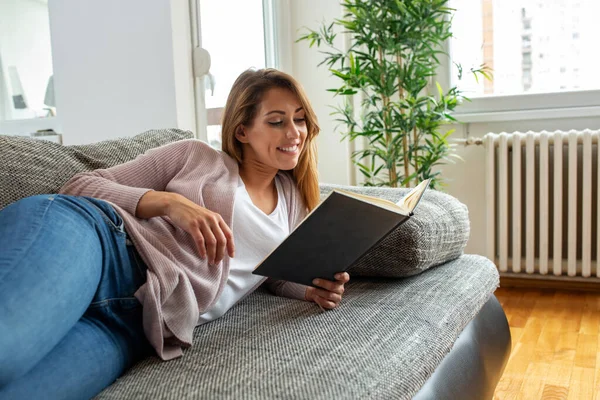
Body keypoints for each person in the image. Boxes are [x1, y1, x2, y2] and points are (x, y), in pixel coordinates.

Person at [0, 68, 350, 399]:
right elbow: (78, 186)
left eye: (300, 119)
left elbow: (268, 272)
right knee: (8, 349)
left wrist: (310, 289)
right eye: (277, 121)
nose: (294, 132)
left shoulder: (293, 199)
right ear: (242, 131)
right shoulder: (196, 156)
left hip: (138, 322)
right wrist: (167, 203)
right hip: (104, 245)